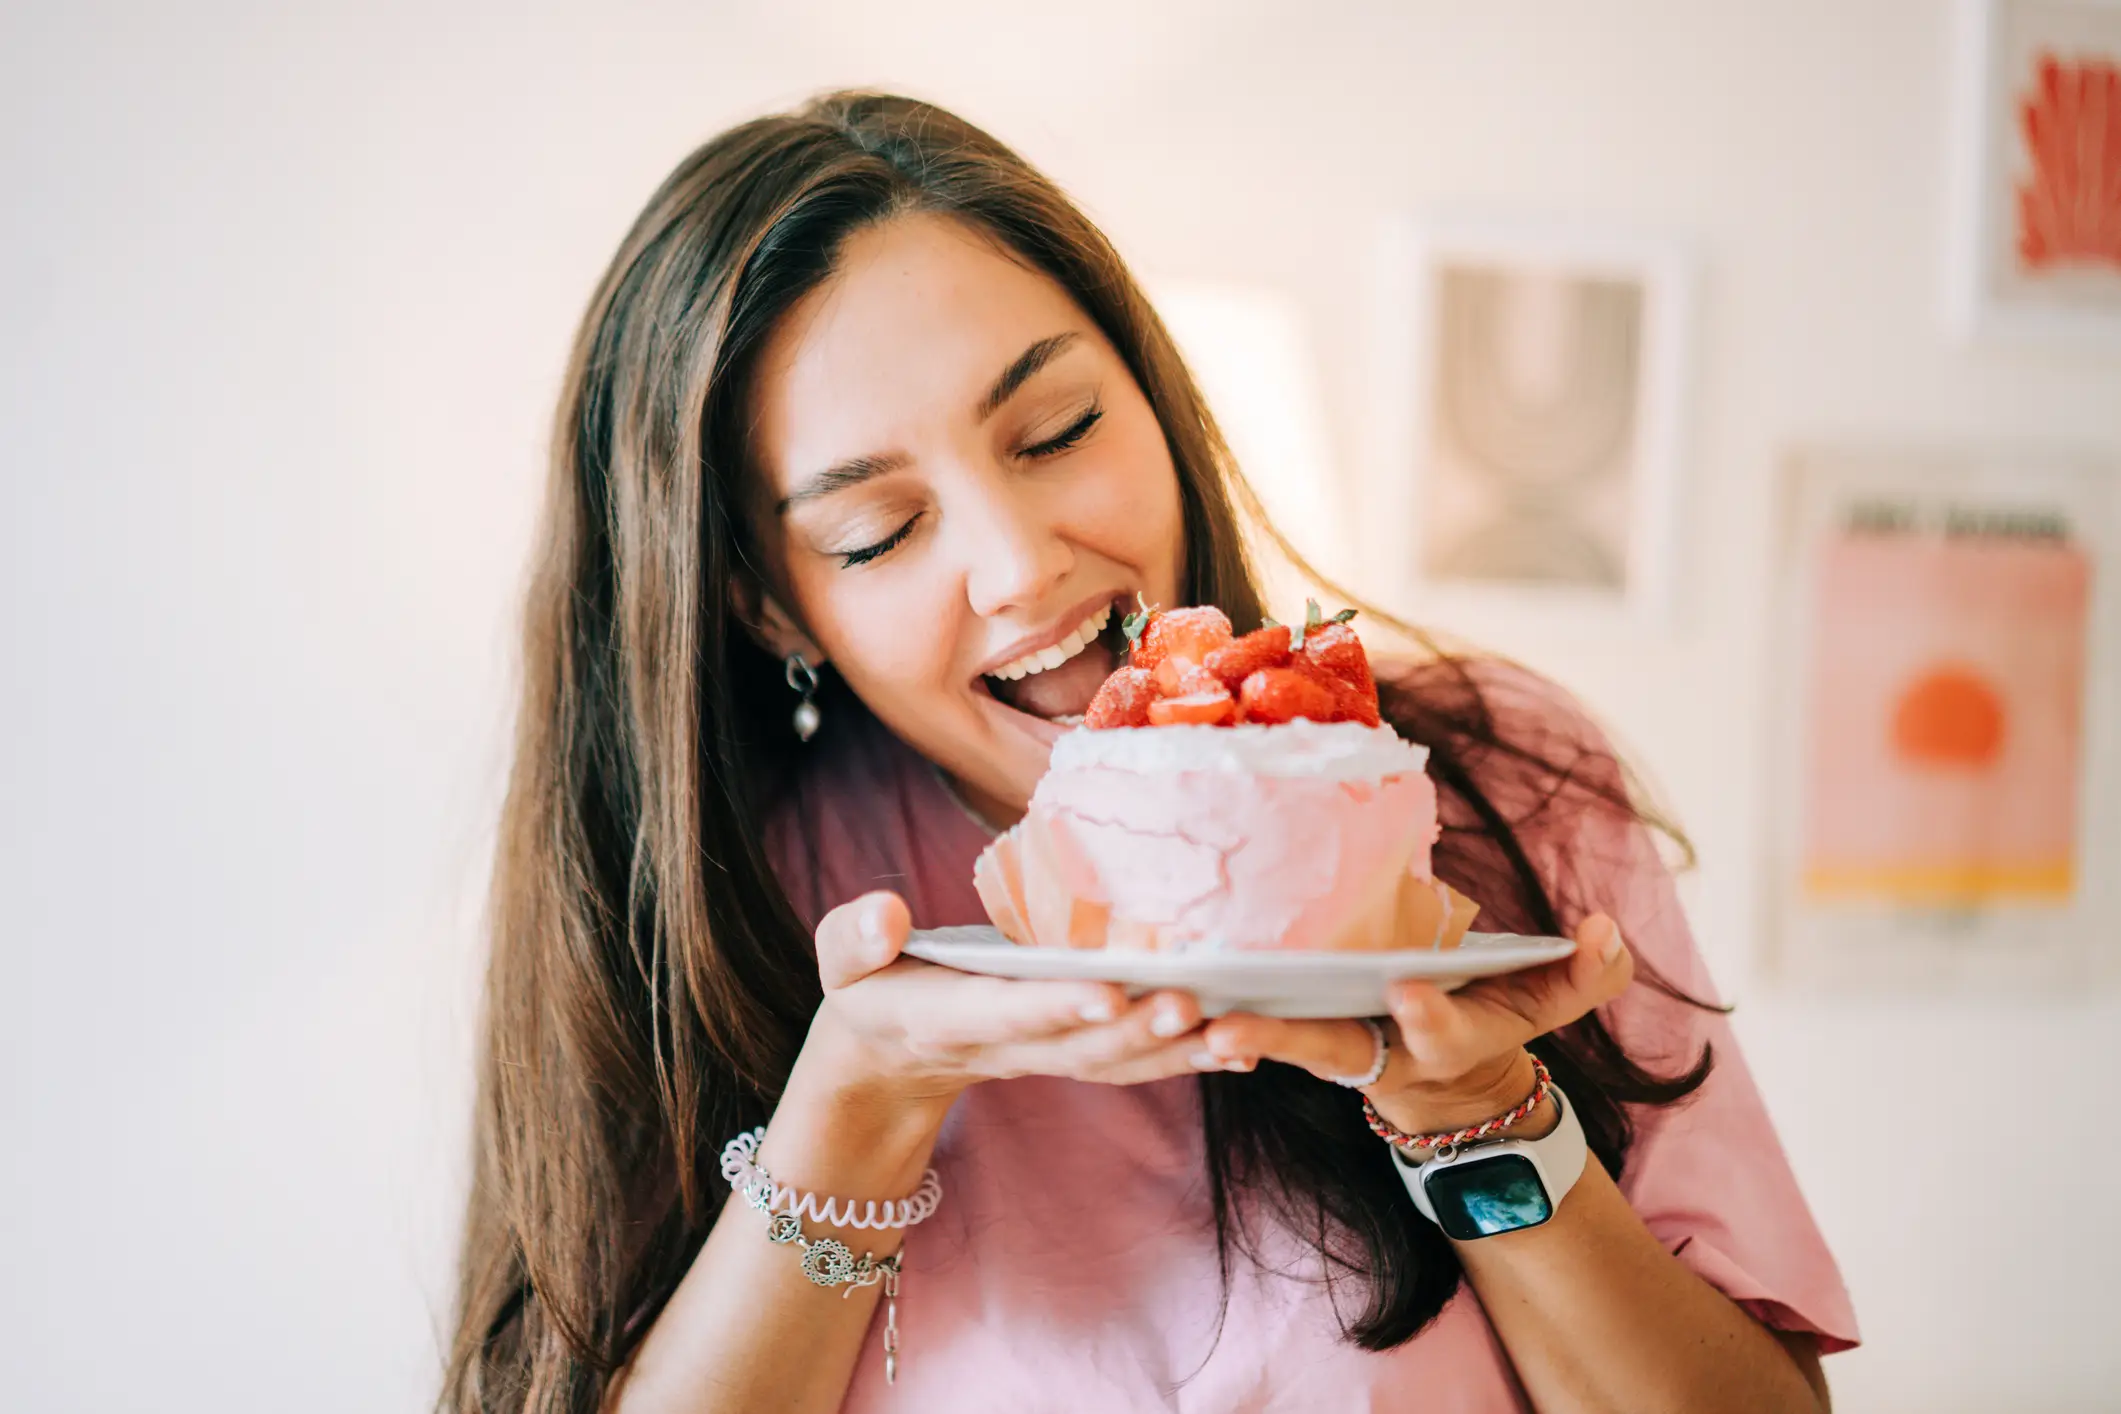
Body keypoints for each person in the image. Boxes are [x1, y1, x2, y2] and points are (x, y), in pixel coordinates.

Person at [441, 91, 1857, 1414]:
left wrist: (1483, 1116)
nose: (1017, 564)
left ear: (1155, 396)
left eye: (1056, 431)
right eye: (877, 529)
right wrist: (854, 1112)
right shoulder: (715, 900)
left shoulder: (1499, 779)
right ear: (762, 597)